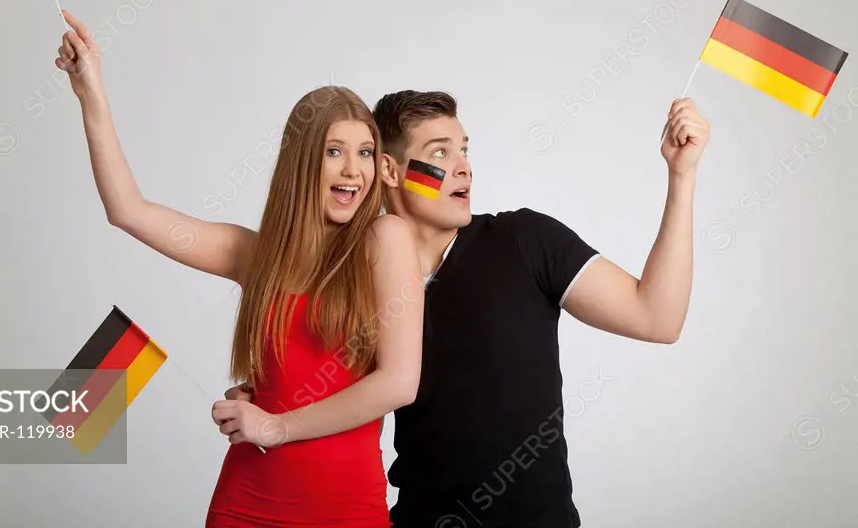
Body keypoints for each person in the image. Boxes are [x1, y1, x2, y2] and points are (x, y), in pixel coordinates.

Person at [226, 89, 711, 527]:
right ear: (390, 171)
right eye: (439, 153)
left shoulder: (525, 241)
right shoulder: (348, 276)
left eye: (464, 150)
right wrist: (270, 391)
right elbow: (322, 370)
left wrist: (681, 177)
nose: (463, 167)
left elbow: (658, 318)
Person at [53, 12, 426, 528]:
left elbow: (399, 384)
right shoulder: (254, 256)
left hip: (346, 511)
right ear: (302, 163)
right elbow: (128, 210)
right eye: (333, 152)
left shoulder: (386, 242)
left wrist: (275, 427)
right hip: (246, 504)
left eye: (365, 152)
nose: (353, 170)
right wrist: (90, 91)